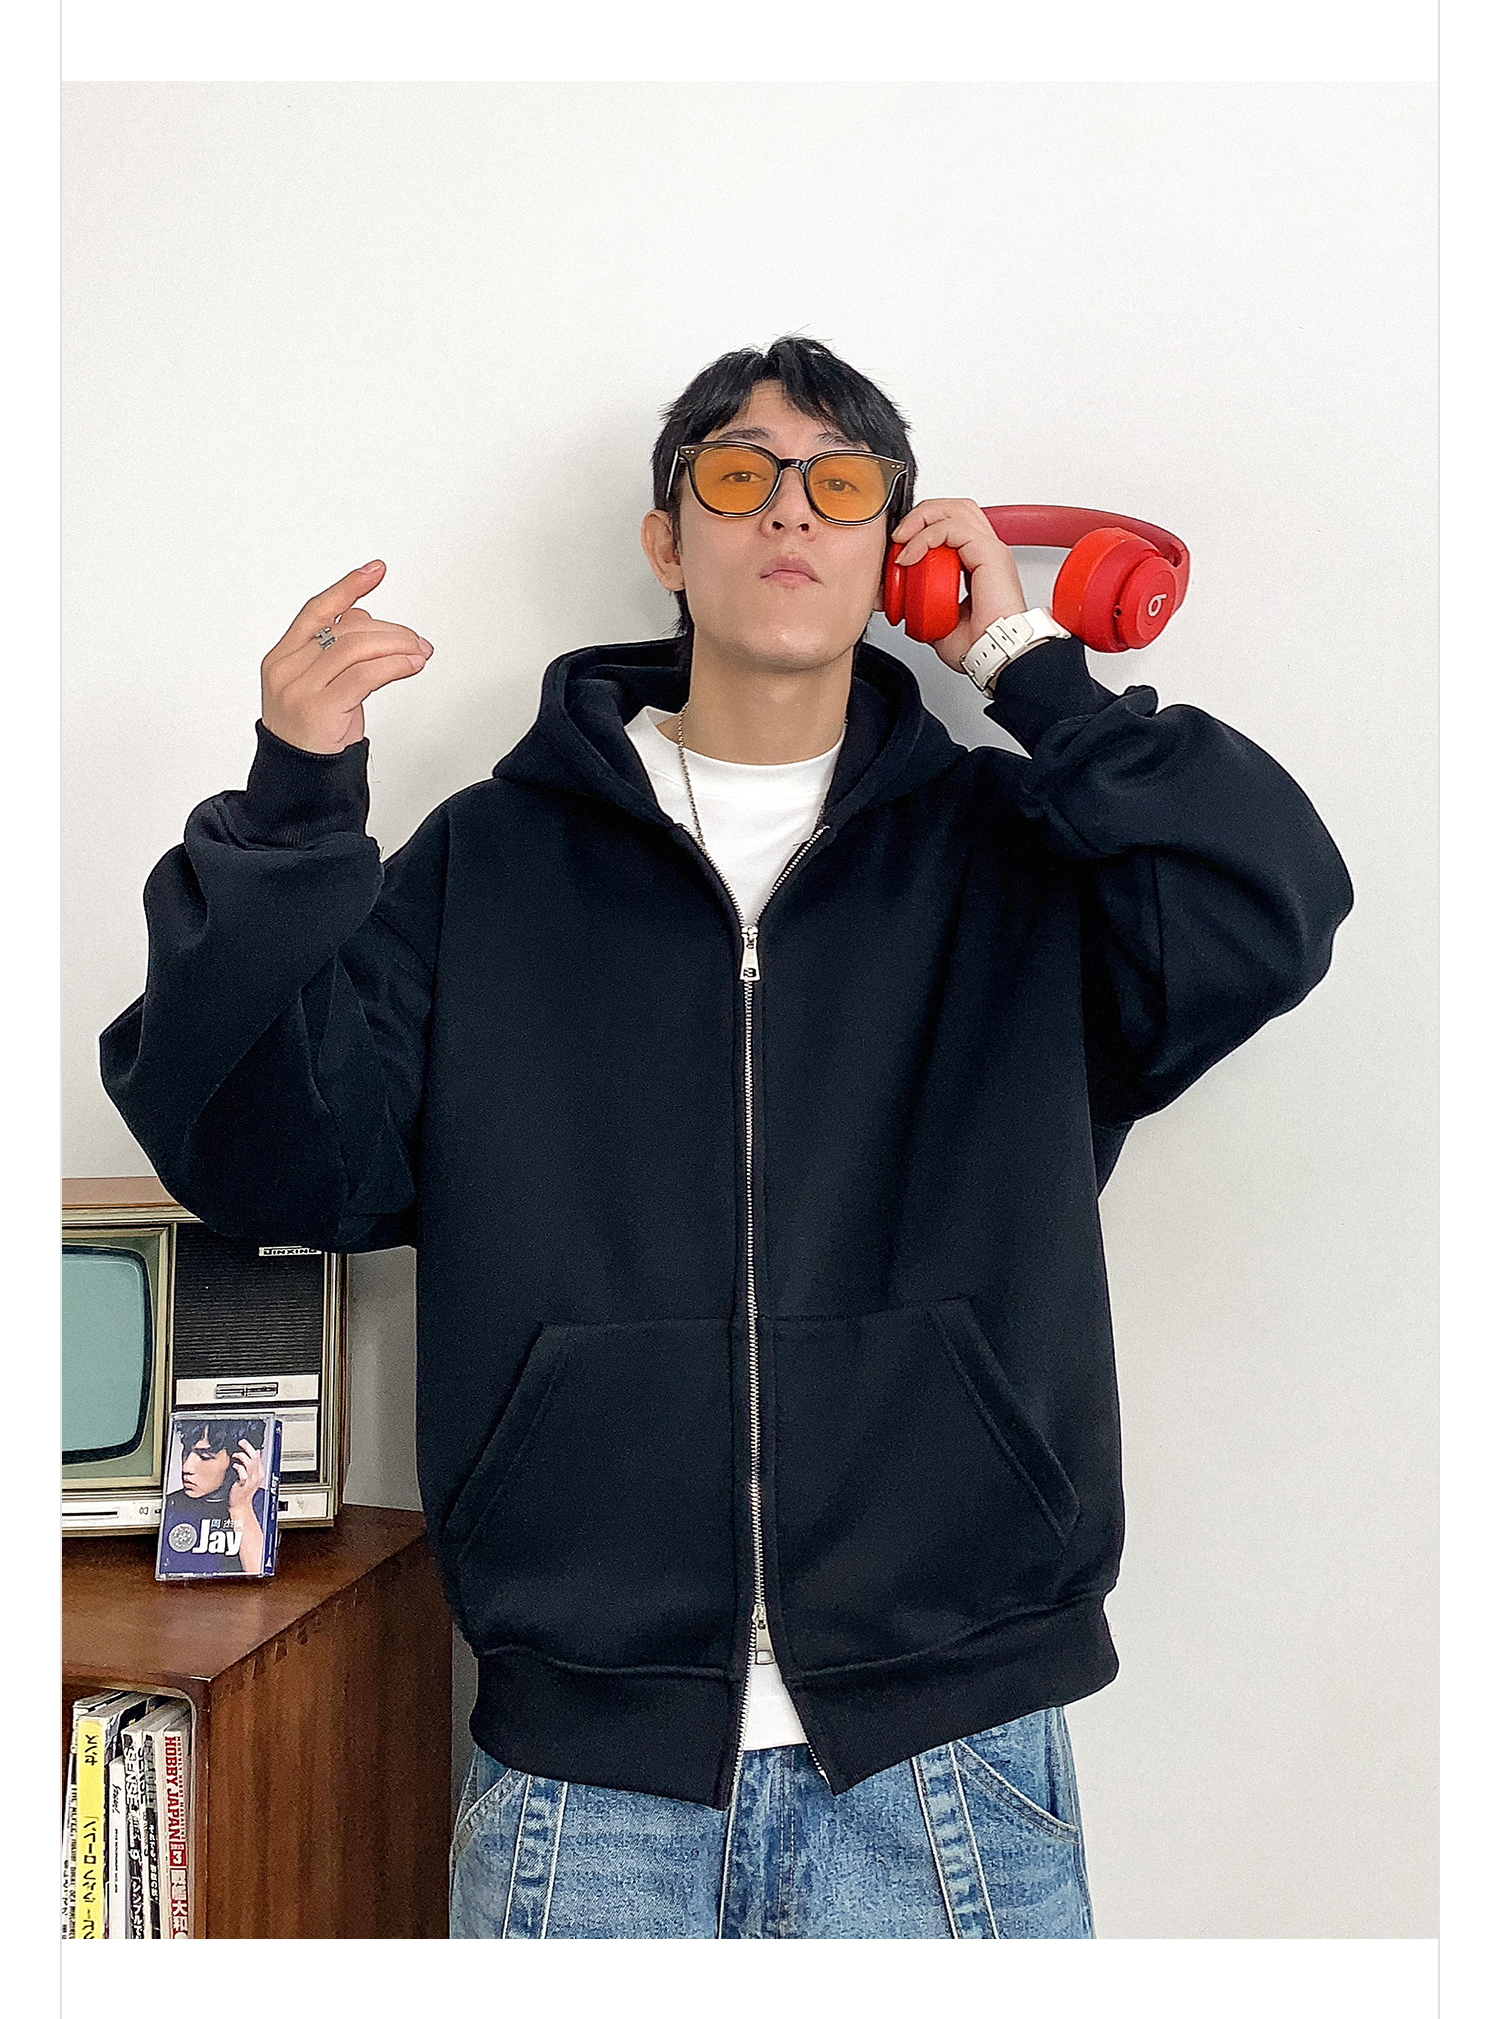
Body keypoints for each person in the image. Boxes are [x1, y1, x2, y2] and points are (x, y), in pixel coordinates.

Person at [100, 335, 1354, 1938]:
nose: (790, 512)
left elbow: (1270, 900)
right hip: (582, 1786)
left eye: (842, 484)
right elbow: (258, 1151)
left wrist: (1025, 663)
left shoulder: (1014, 861)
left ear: (896, 547)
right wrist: (292, 810)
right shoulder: (490, 864)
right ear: (667, 538)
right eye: (742, 474)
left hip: (953, 1768)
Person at [157, 1417, 269, 1576]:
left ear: (239, 1462)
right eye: (186, 1451)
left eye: (204, 1457)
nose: (186, 1467)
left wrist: (241, 1508)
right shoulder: (170, 1506)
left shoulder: (265, 1505)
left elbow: (261, 1575)